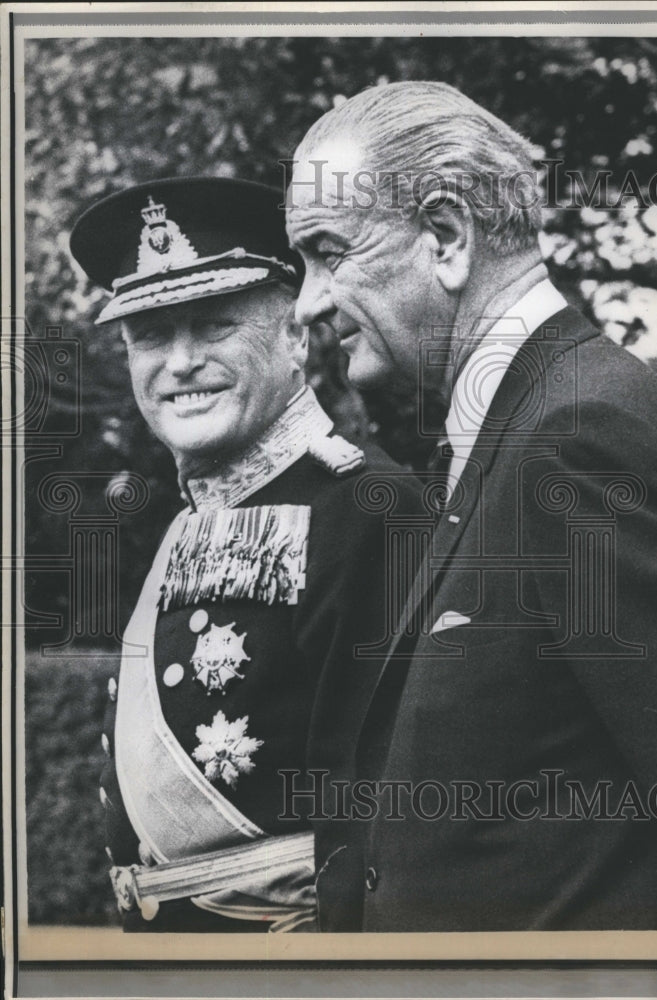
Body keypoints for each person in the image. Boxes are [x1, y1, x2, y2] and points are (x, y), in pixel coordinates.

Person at [286, 81, 657, 932]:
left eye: (328, 252)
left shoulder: (578, 433)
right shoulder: (526, 422)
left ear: (446, 235)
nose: (306, 303)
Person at [70, 176, 419, 932]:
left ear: (295, 335)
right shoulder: (188, 520)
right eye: (151, 337)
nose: (181, 362)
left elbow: (385, 823)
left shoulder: (368, 508)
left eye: (216, 325)